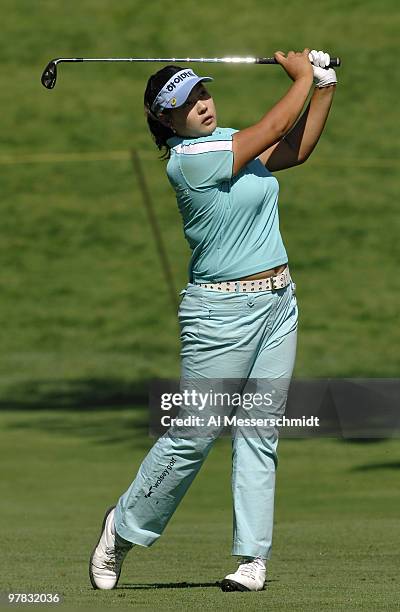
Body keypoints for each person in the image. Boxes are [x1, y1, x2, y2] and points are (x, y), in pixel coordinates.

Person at [89, 49, 337, 593]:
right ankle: (122, 529)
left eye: (202, 92)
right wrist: (299, 76)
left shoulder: (226, 141)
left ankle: (251, 558)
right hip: (220, 316)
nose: (201, 104)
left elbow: (294, 149)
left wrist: (323, 86)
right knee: (192, 437)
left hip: (278, 306)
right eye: (185, 103)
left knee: (260, 434)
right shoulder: (192, 161)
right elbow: (275, 124)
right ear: (166, 121)